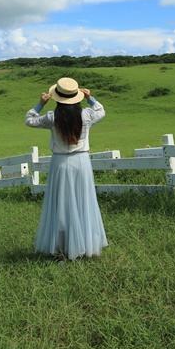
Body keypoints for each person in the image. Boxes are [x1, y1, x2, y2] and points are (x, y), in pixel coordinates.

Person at [25, 77, 108, 261]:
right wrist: (91, 99)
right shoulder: (86, 115)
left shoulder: (52, 118)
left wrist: (40, 104)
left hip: (60, 163)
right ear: (77, 97)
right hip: (82, 162)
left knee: (61, 207)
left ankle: (61, 251)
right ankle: (85, 246)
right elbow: (101, 111)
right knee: (83, 203)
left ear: (57, 97)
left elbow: (29, 120)